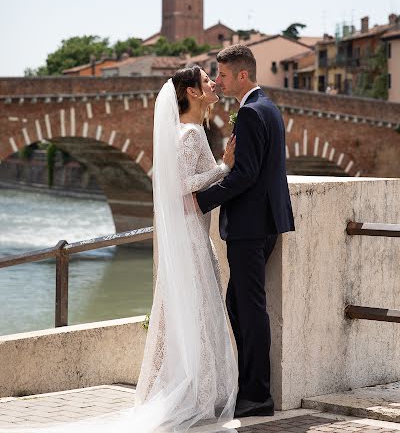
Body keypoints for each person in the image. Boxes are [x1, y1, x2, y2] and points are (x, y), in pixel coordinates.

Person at [4, 67, 238, 433]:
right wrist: (224, 166)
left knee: (193, 312)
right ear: (192, 92)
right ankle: (196, 392)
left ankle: (198, 388)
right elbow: (178, 184)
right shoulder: (191, 134)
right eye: (208, 81)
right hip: (191, 235)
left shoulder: (192, 131)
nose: (214, 85)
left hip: (192, 231)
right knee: (197, 311)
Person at [195, 45, 295, 420]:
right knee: (239, 303)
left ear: (242, 75)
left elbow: (247, 174)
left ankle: (258, 394)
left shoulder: (251, 112)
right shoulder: (267, 107)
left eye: (221, 75)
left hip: (250, 226)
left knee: (249, 308)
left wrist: (203, 200)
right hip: (265, 221)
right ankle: (249, 385)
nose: (217, 82)